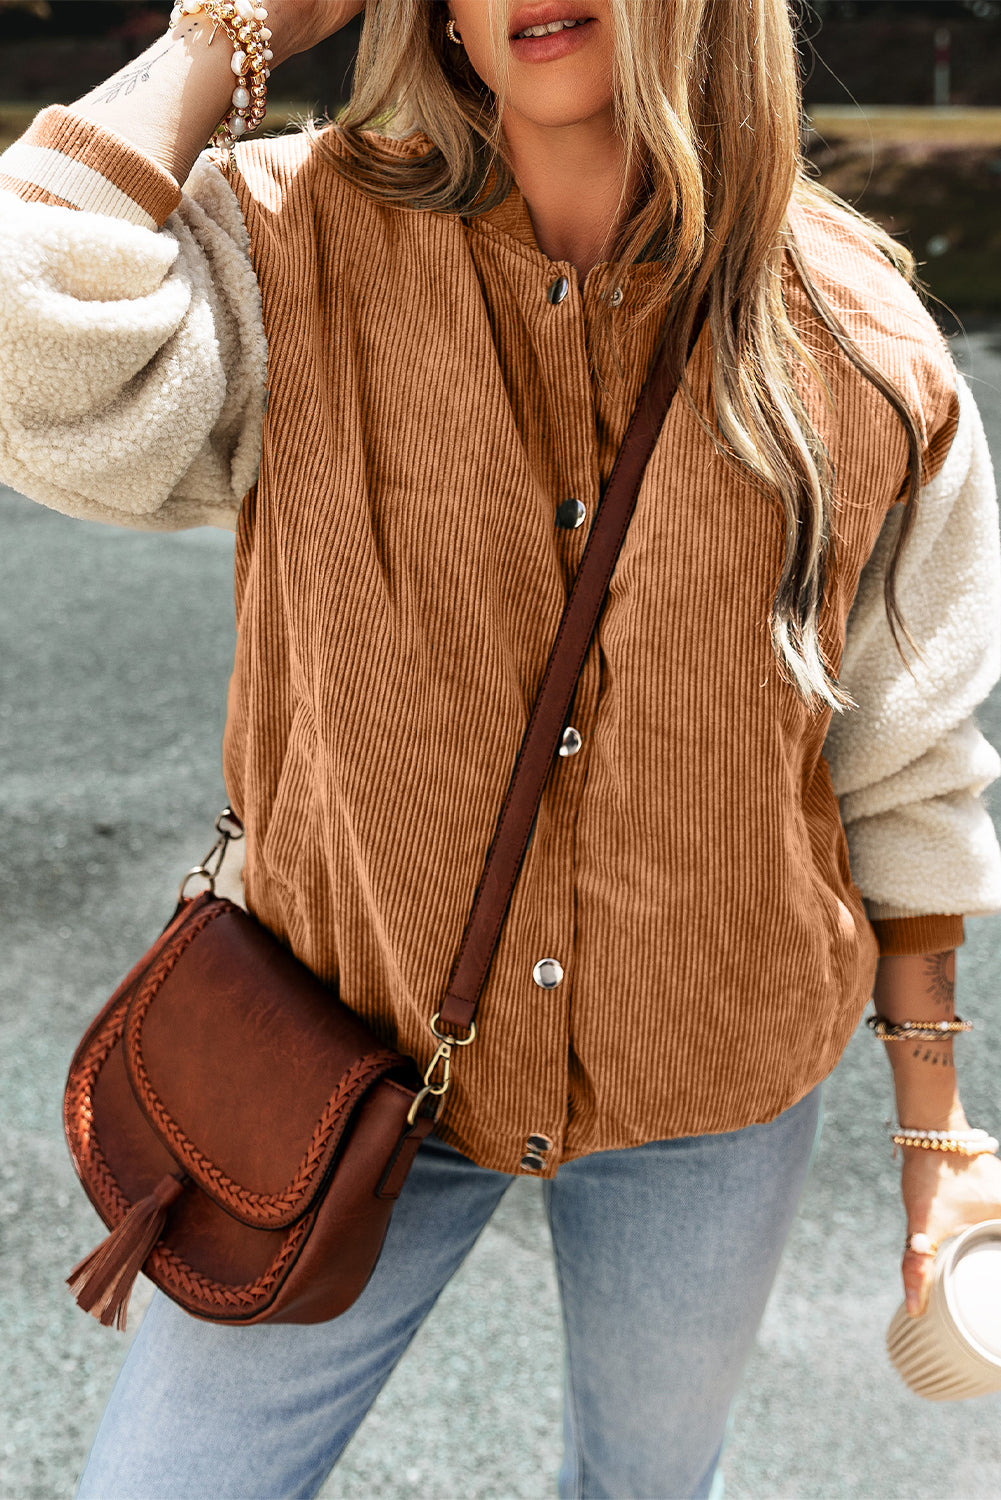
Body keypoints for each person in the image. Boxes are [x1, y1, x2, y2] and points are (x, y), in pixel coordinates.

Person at [1, 1, 1000, 1495]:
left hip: (709, 1085)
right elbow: (34, 340)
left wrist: (939, 1137)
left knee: (648, 1488)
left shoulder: (856, 339)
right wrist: (239, 25)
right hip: (346, 1041)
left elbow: (905, 769)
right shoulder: (288, 247)